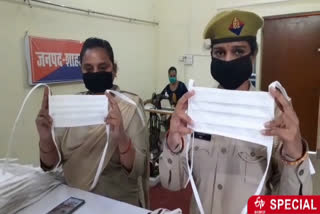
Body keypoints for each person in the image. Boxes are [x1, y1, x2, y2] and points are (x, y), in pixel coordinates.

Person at [159, 10, 312, 214]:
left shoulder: (274, 116)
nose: (228, 60)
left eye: (238, 52)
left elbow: (296, 207)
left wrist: (295, 154)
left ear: (253, 56)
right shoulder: (194, 109)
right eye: (220, 53)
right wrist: (173, 144)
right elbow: (173, 184)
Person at [35, 37, 149, 208]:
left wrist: (121, 137)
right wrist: (45, 137)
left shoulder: (130, 105)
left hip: (118, 205)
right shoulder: (70, 107)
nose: (96, 73)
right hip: (76, 203)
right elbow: (51, 164)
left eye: (103, 67)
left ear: (114, 69)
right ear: (81, 71)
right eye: (89, 68)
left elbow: (139, 169)